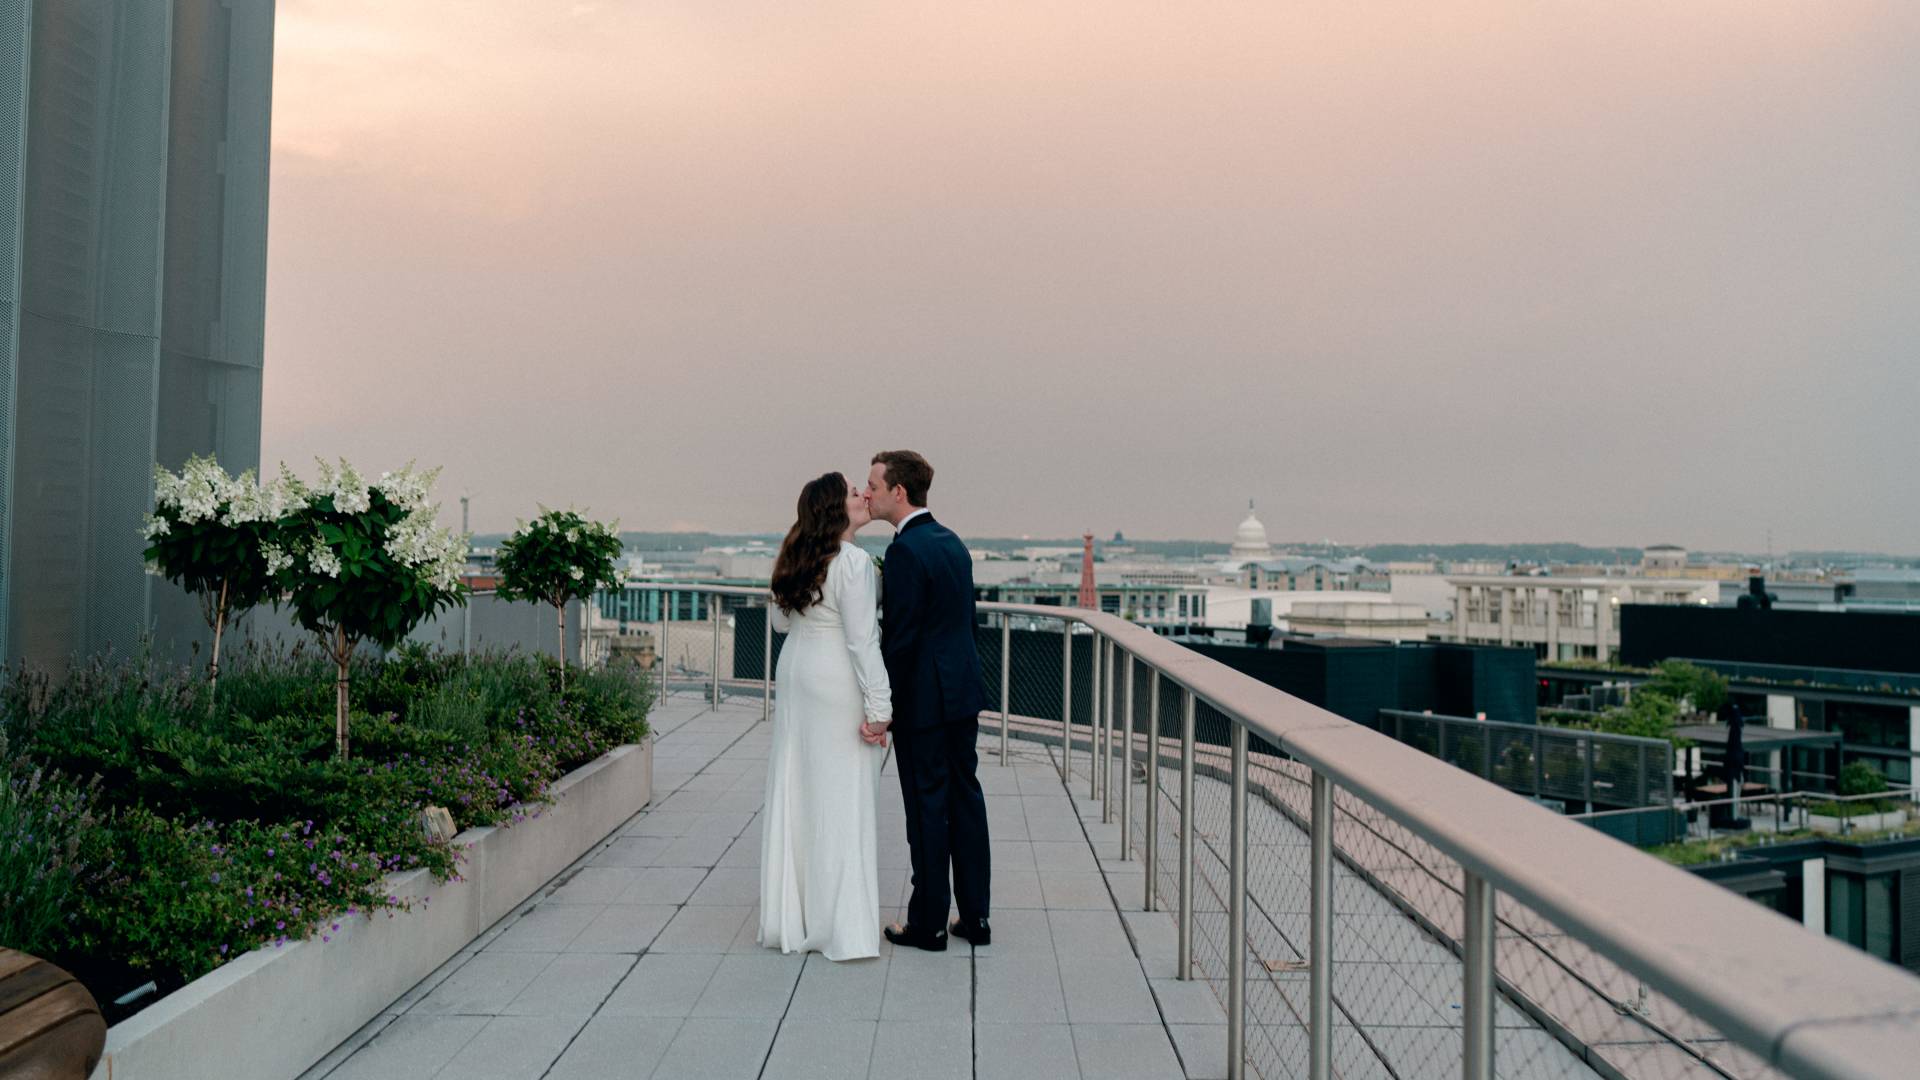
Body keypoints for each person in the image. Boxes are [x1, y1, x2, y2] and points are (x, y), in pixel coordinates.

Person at [757, 472, 891, 961]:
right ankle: (838, 924)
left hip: (796, 673)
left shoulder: (799, 556)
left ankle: (795, 915)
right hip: (834, 680)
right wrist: (881, 708)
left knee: (799, 788)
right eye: (854, 493)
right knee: (842, 796)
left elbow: (778, 621)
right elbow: (862, 641)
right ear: (837, 508)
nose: (863, 496)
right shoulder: (853, 562)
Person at [864, 450, 992, 951]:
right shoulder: (952, 542)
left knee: (926, 808)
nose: (867, 492)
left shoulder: (905, 551)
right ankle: (976, 918)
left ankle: (929, 923)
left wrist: (884, 704)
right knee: (966, 800)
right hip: (962, 694)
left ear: (899, 491)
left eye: (873, 484)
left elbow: (901, 638)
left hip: (923, 702)